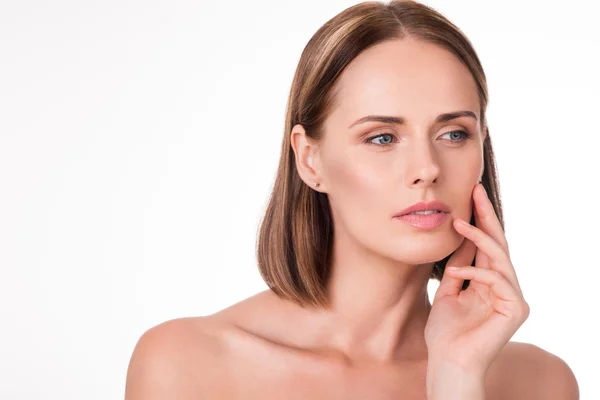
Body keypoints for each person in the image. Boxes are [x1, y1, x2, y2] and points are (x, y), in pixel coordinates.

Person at [125, 1, 579, 398]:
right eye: (382, 137)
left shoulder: (539, 384)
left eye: (454, 133)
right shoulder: (187, 364)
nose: (427, 167)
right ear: (310, 159)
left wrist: (457, 377)